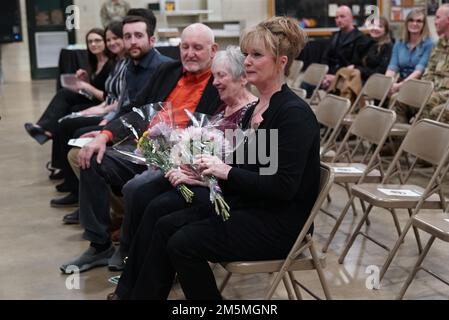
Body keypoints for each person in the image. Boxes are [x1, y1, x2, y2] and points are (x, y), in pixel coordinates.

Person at [109, 16, 320, 300]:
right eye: (246, 54)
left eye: (256, 55)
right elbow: (248, 167)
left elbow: (282, 188)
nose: (246, 62)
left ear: (281, 62)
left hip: (279, 223)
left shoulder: (292, 114)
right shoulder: (260, 107)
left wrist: (224, 172)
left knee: (182, 243)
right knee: (164, 222)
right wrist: (200, 175)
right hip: (251, 204)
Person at [59, 23, 221, 274]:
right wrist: (105, 134)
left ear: (213, 50)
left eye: (198, 48)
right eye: (185, 47)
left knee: (137, 187)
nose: (190, 53)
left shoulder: (220, 81)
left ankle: (129, 248)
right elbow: (136, 111)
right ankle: (99, 244)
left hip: (180, 158)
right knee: (90, 158)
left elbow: (219, 131)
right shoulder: (168, 71)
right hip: (142, 147)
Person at [109, 45, 259, 272]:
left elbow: (240, 168)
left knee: (158, 206)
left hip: (219, 190)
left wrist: (196, 176)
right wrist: (176, 157)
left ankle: (143, 273)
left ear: (243, 78)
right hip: (200, 178)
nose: (215, 82)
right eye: (214, 76)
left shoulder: (253, 115)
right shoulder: (223, 108)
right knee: (142, 193)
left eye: (222, 76)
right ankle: (134, 268)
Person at [51, 15, 172, 208]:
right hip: (129, 127)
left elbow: (149, 114)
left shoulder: (163, 68)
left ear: (152, 39)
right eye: (127, 36)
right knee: (76, 140)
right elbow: (126, 106)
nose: (132, 41)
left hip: (147, 138)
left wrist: (109, 131)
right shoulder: (129, 66)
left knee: (80, 149)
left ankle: (115, 212)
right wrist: (107, 130)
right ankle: (104, 210)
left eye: (138, 35)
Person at [24, 28, 114, 146]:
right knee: (65, 95)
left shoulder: (112, 64)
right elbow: (95, 87)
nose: (93, 44)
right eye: (90, 41)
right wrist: (86, 79)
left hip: (104, 104)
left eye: (97, 41)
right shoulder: (93, 62)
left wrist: (86, 85)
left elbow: (107, 97)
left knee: (68, 103)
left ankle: (47, 131)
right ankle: (45, 130)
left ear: (105, 42)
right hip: (94, 100)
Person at [328, 16, 393, 103]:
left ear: (386, 30)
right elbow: (358, 61)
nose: (375, 28)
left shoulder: (388, 47)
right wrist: (355, 67)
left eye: (380, 26)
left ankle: (342, 105)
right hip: (364, 77)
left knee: (348, 82)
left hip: (376, 80)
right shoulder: (370, 43)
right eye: (373, 25)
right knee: (343, 73)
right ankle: (339, 102)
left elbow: (381, 71)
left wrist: (359, 70)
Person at [410, 4, 449, 123]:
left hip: (444, 93)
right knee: (399, 98)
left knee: (429, 101)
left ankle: (420, 139)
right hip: (433, 89)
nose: (434, 22)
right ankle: (398, 141)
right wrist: (422, 88)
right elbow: (429, 71)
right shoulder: (438, 44)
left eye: (437, 17)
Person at [320, 5, 371, 90]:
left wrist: (336, 77)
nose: (339, 20)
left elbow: (356, 65)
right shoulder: (334, 37)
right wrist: (325, 75)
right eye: (336, 17)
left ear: (351, 18)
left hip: (348, 77)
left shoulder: (361, 39)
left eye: (342, 16)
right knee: (306, 84)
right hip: (331, 75)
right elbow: (325, 58)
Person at [386, 8, 433, 96]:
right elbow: (392, 67)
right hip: (400, 82)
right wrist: (388, 84)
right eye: (411, 20)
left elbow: (419, 71)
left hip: (420, 85)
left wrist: (399, 86)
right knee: (384, 93)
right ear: (406, 23)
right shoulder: (399, 43)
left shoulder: (429, 44)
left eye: (419, 21)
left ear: (424, 25)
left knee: (396, 98)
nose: (414, 24)